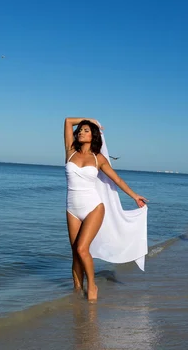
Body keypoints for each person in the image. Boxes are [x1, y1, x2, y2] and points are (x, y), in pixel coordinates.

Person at [64, 117, 148, 302]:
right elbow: (68, 121)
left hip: (93, 207)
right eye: (80, 130)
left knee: (82, 248)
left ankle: (92, 285)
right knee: (74, 253)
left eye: (86, 130)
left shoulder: (98, 158)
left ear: (93, 135)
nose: (81, 132)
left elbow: (116, 179)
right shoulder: (70, 151)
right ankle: (77, 290)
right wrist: (90, 119)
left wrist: (135, 196)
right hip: (71, 208)